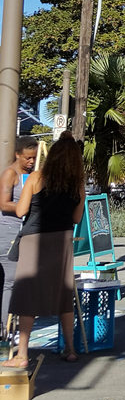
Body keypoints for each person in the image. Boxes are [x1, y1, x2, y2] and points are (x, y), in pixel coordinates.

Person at [5, 132, 85, 367]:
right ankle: (70, 349)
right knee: (63, 294)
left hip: (34, 239)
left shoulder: (36, 177)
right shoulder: (77, 184)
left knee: (27, 294)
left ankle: (21, 355)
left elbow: (21, 212)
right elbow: (77, 217)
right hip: (63, 239)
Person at [0, 137, 38, 336]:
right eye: (27, 158)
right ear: (17, 155)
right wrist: (27, 207)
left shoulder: (32, 175)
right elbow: (4, 204)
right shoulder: (10, 174)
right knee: (10, 280)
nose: (31, 162)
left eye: (33, 158)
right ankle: (5, 330)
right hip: (8, 232)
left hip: (26, 233)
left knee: (23, 281)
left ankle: (12, 324)